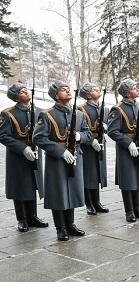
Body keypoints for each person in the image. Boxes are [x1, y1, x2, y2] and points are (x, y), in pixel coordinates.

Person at [34, 81, 91, 241]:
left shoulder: (79, 114)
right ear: (56, 96)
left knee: (72, 191)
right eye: (63, 90)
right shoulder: (47, 115)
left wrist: (80, 136)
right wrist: (60, 151)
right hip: (57, 160)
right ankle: (60, 228)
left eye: (68, 89)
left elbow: (88, 134)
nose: (67, 91)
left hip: (75, 157)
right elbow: (38, 138)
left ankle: (70, 224)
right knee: (58, 193)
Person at [0, 83, 46, 232]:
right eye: (22, 92)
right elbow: (3, 135)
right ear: (16, 96)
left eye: (27, 91)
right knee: (19, 186)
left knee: (33, 184)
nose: (27, 93)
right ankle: (22, 219)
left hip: (35, 152)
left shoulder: (38, 111)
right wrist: (23, 148)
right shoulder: (8, 113)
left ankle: (33, 216)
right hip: (17, 155)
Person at [107, 78, 139, 222]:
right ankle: (129, 211)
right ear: (127, 92)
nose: (137, 89)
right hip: (126, 149)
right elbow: (112, 131)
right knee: (128, 179)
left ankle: (137, 208)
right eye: (134, 87)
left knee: (138, 177)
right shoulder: (117, 109)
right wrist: (128, 143)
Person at [78, 83, 109, 215]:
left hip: (101, 143)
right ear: (89, 94)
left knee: (97, 173)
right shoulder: (81, 109)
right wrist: (91, 141)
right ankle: (89, 203)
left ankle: (97, 202)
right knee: (88, 174)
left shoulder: (104, 108)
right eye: (94, 89)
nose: (98, 90)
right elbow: (79, 129)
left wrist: (106, 127)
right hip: (87, 145)